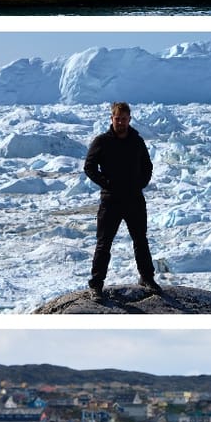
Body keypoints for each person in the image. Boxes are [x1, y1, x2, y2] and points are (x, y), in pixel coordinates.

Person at [83, 101, 160, 298]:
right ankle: (96, 284)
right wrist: (105, 183)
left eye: (124, 119)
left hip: (134, 199)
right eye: (117, 119)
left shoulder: (136, 141)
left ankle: (147, 278)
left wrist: (140, 183)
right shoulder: (102, 141)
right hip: (111, 201)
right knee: (104, 243)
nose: (120, 122)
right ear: (112, 119)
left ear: (129, 119)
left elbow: (147, 166)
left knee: (140, 240)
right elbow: (89, 166)